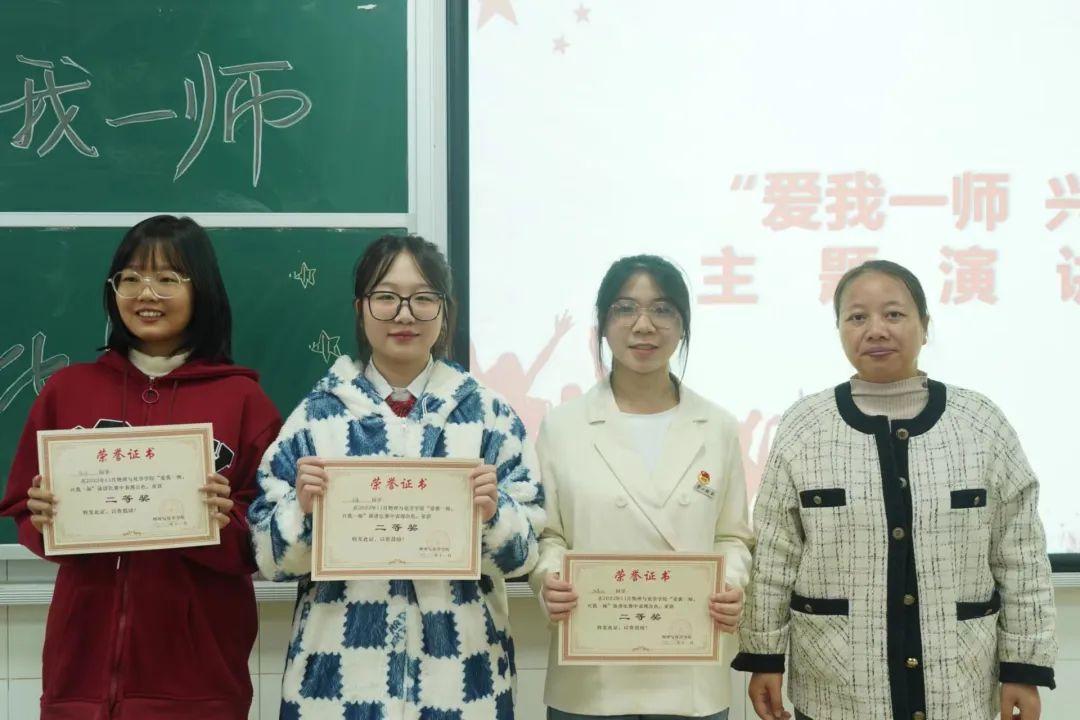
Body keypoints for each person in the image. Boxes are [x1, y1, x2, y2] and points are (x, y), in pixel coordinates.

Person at [732, 259, 1057, 720]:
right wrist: (764, 656)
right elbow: (775, 553)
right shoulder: (805, 426)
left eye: (894, 314)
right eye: (857, 317)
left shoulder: (981, 423)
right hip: (835, 687)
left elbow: (1020, 555)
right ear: (839, 330)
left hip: (958, 686)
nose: (876, 330)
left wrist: (1023, 668)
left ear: (924, 326)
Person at [248, 234, 545, 719]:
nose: (404, 314)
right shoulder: (316, 418)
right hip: (336, 683)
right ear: (360, 308)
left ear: (444, 310)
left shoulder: (490, 417)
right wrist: (301, 511)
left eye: (423, 298)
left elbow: (524, 557)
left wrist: (495, 515)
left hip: (463, 682)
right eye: (386, 297)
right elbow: (268, 559)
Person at [0, 214, 282, 719]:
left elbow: (268, 536)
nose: (146, 293)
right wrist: (42, 520)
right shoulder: (69, 391)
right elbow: (23, 506)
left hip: (198, 681)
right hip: (80, 677)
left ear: (201, 289)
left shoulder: (244, 401)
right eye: (130, 278)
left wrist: (223, 523)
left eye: (167, 278)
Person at [529, 254, 754, 720]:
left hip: (690, 668)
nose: (644, 325)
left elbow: (732, 536)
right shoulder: (563, 426)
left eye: (663, 310)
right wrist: (548, 579)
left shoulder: (717, 426)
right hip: (591, 674)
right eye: (625, 308)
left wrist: (730, 584)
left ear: (683, 326)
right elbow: (549, 535)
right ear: (603, 325)